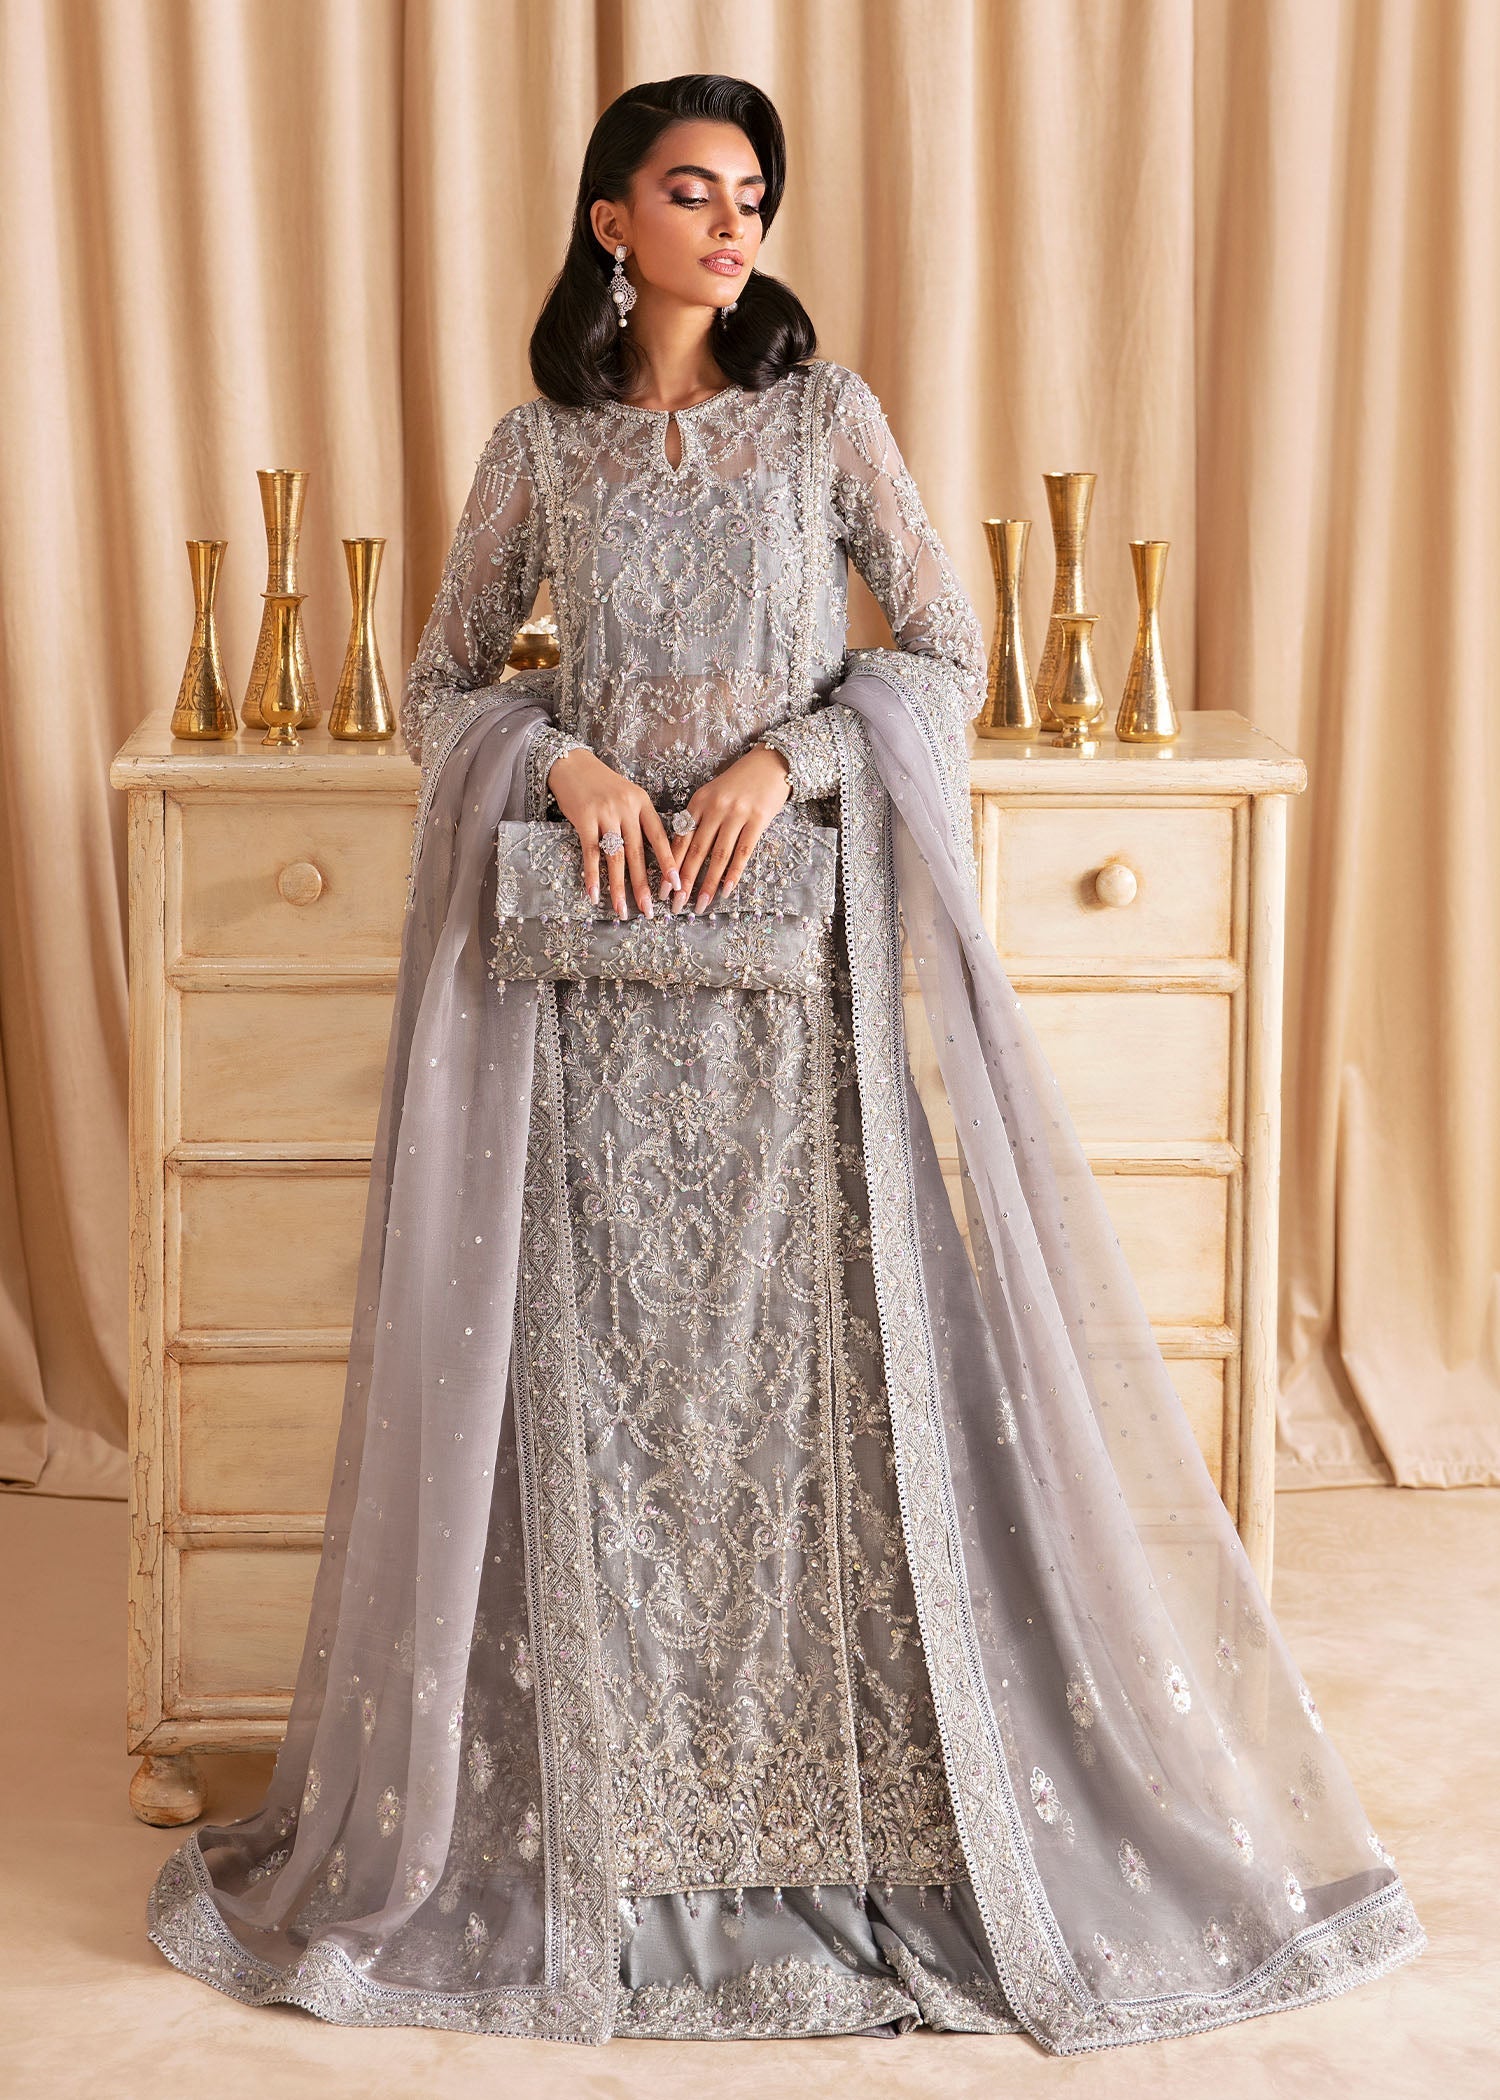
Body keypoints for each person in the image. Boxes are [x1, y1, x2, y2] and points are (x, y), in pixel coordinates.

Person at [145, 72, 1424, 2048]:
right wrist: (561, 758)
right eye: (691, 191)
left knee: (809, 1397)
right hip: (589, 1000)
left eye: (751, 193)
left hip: (789, 1005)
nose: (732, 223)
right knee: (607, 1403)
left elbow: (942, 649)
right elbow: (441, 684)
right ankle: (609, 1840)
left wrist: (789, 758)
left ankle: (831, 1828)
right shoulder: (543, 447)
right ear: (611, 222)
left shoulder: (827, 422)